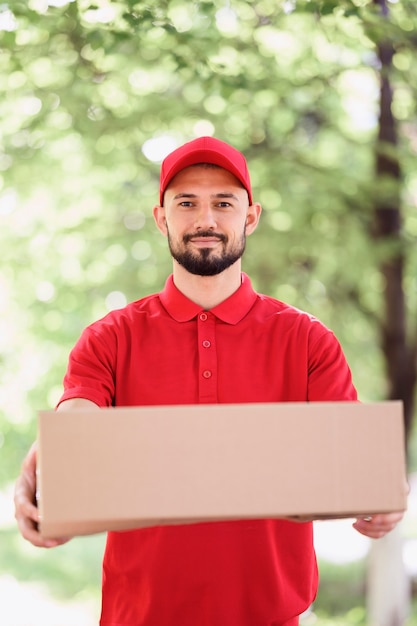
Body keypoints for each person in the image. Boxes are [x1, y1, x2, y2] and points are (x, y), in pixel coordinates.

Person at [15, 136, 404, 626]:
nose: (206, 220)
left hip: (269, 617)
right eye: (187, 204)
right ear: (161, 218)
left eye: (223, 203)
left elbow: (350, 459)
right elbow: (79, 417)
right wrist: (59, 454)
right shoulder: (109, 338)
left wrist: (382, 496)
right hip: (140, 616)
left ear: (251, 216)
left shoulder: (307, 340)